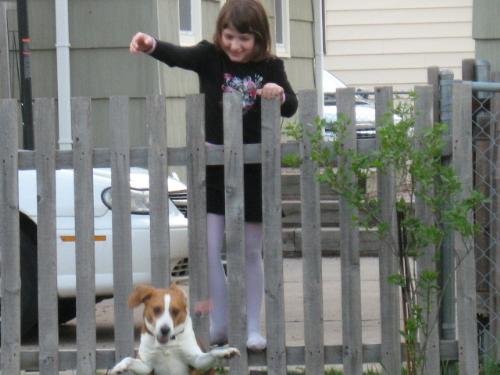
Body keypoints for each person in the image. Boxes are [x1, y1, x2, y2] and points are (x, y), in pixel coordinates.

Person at [129, 0, 298, 351]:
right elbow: (179, 55)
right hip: (213, 170)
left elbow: (291, 105)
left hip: (253, 171)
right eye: (229, 36)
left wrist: (276, 92)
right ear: (220, 33)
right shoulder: (210, 57)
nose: (235, 45)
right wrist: (151, 44)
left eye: (245, 39)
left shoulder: (270, 66)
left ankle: (252, 328)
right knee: (207, 249)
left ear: (260, 39)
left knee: (251, 251)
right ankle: (220, 323)